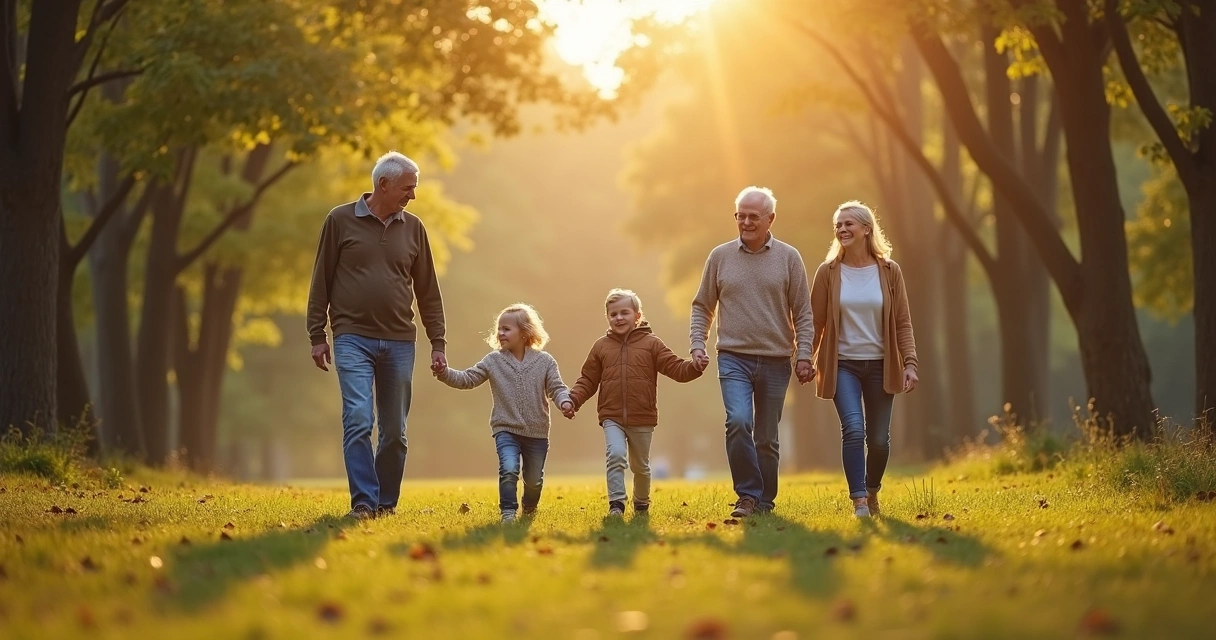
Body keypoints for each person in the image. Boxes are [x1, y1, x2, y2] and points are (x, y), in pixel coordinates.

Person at [306, 151, 447, 520]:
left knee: (395, 432)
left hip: (401, 340)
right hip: (352, 337)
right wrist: (316, 333)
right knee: (358, 417)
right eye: (408, 187)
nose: (412, 195)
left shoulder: (414, 227)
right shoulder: (339, 220)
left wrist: (438, 342)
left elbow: (428, 289)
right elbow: (321, 279)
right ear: (383, 184)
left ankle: (385, 503)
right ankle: (364, 503)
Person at [690, 186, 815, 518]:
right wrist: (697, 344)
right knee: (739, 421)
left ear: (770, 218)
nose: (745, 222)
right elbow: (702, 306)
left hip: (776, 359)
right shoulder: (720, 256)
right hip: (733, 356)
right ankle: (746, 495)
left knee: (767, 439)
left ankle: (764, 501)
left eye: (752, 216)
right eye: (740, 216)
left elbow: (803, 311)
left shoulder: (789, 258)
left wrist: (804, 354)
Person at [810, 200, 919, 518]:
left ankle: (872, 491)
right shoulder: (828, 272)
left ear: (866, 228)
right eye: (838, 225)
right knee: (854, 430)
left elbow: (903, 322)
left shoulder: (889, 271)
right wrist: (805, 356)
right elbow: (816, 322)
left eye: (848, 224)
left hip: (881, 365)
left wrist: (910, 363)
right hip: (842, 364)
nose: (842, 229)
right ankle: (858, 500)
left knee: (879, 440)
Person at [568, 288, 705, 517]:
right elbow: (588, 379)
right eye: (613, 314)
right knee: (615, 454)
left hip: (642, 415)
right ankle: (616, 504)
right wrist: (573, 400)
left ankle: (641, 502)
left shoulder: (652, 344)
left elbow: (675, 368)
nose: (619, 318)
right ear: (608, 318)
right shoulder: (601, 347)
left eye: (624, 313)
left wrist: (695, 366)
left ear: (637, 316)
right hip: (611, 415)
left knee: (640, 465)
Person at [433, 303, 574, 523]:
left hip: (537, 432)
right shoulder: (493, 361)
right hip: (505, 428)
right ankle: (507, 512)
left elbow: (557, 388)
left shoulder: (545, 362)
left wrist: (565, 402)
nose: (500, 333)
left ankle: (529, 508)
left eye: (507, 329)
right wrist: (444, 373)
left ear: (525, 332)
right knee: (508, 469)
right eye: (499, 328)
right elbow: (467, 379)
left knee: (534, 479)